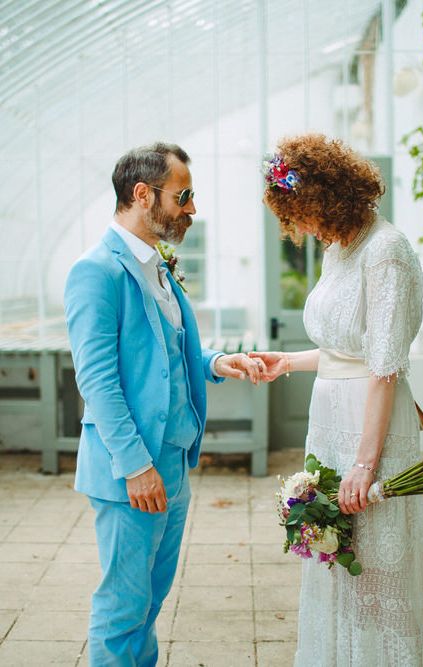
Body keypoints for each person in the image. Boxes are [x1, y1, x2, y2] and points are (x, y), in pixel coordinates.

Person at [64, 142, 265, 666]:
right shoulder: (96, 272)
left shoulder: (156, 265)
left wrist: (220, 363)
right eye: (184, 195)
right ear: (142, 194)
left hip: (173, 462)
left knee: (150, 602)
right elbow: (99, 381)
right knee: (123, 607)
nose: (192, 208)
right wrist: (135, 467)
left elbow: (169, 353)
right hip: (132, 469)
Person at [252, 134, 423, 666]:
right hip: (329, 421)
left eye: (301, 213)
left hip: (370, 427)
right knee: (336, 561)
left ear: (328, 199)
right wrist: (288, 361)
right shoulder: (338, 250)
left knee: (376, 570)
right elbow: (341, 348)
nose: (299, 228)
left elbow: (382, 365)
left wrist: (364, 465)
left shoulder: (386, 251)